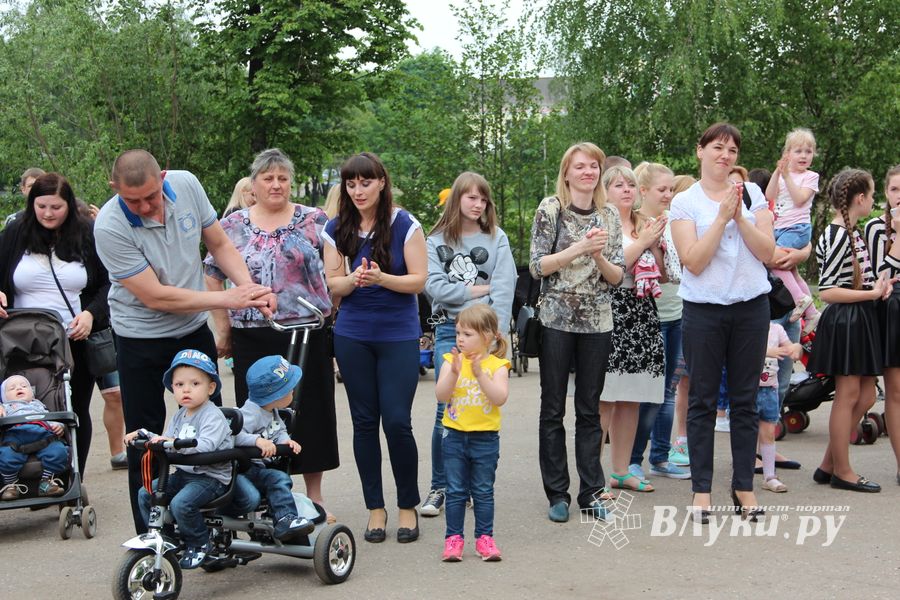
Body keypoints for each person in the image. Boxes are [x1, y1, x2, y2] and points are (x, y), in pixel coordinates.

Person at [93, 149, 275, 533]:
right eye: (132, 200)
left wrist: (250, 288)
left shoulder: (187, 184)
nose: (143, 206)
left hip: (191, 331)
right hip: (139, 336)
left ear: (163, 176)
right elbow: (156, 296)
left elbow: (220, 245)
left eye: (150, 196)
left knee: (213, 427)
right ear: (114, 189)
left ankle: (214, 526)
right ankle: (151, 534)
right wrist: (227, 298)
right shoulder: (109, 226)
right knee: (145, 439)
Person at [204, 148, 339, 520]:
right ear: (255, 183)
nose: (276, 184)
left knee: (310, 412)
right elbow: (212, 276)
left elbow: (334, 272)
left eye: (282, 178)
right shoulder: (232, 225)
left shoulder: (315, 220)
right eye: (268, 178)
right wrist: (223, 326)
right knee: (256, 418)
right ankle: (270, 494)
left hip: (307, 331)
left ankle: (314, 497)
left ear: (290, 181)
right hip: (252, 333)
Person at [670, 122, 775, 523]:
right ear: (700, 151)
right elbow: (693, 261)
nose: (725, 156)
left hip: (751, 307)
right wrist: (719, 219)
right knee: (702, 401)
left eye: (732, 150)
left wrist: (741, 216)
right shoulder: (685, 202)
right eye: (717, 147)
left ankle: (744, 487)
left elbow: (767, 252)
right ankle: (701, 490)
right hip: (704, 310)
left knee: (746, 400)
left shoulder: (753, 194)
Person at [323, 152, 427, 543]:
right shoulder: (335, 228)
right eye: (351, 184)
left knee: (397, 421)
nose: (358, 191)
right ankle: (375, 508)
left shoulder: (405, 224)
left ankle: (406, 505)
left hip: (398, 333)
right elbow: (333, 285)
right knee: (365, 422)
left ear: (381, 182)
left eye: (365, 183)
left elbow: (418, 281)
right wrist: (353, 279)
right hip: (353, 334)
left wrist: (383, 278)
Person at [530, 142, 624, 523]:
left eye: (593, 167)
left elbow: (617, 277)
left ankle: (591, 491)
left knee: (590, 409)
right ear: (566, 173)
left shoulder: (611, 214)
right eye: (580, 166)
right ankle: (557, 493)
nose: (587, 172)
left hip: (597, 320)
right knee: (553, 409)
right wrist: (579, 248)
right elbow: (538, 266)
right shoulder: (550, 208)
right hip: (556, 318)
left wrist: (598, 254)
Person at [0, 173, 110, 476]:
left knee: (72, 411)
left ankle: (71, 478)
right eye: (42, 206)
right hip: (23, 341)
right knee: (19, 409)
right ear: (31, 203)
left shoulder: (87, 233)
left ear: (69, 206)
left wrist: (91, 314)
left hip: (74, 340)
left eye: (56, 207)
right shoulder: (14, 233)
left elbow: (108, 283)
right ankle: (23, 474)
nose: (48, 214)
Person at [421, 171, 516, 517]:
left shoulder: (497, 238)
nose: (478, 204)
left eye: (483, 198)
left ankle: (473, 487)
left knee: (482, 407)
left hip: (488, 333)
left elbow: (505, 286)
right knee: (446, 412)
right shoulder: (434, 242)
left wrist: (495, 333)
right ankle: (440, 487)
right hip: (450, 331)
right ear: (456, 199)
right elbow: (434, 287)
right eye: (471, 197)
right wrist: (477, 290)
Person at [808, 168, 888, 493]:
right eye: (871, 194)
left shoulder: (852, 232)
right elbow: (827, 290)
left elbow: (852, 278)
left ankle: (829, 464)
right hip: (847, 319)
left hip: (858, 317)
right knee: (848, 396)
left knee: (866, 395)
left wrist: (876, 286)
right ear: (859, 198)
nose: (873, 200)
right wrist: (870, 293)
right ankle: (842, 470)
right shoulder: (840, 234)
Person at [130, 350, 233, 569]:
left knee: (181, 504)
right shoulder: (180, 415)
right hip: (185, 474)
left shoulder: (212, 415)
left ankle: (199, 543)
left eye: (195, 384)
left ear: (211, 388)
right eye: (179, 385)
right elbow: (165, 440)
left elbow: (206, 446)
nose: (186, 390)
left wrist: (176, 442)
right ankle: (167, 540)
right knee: (146, 493)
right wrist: (143, 435)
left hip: (210, 478)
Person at [599, 165, 667, 493]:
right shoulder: (599, 223)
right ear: (605, 191)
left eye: (630, 184)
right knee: (605, 397)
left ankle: (622, 470)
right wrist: (644, 244)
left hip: (642, 311)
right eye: (617, 185)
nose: (626, 190)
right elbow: (611, 268)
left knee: (632, 398)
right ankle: (592, 475)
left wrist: (654, 245)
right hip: (610, 310)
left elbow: (667, 274)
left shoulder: (646, 224)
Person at [629, 162, 690, 480]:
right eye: (662, 190)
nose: (668, 194)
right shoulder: (635, 223)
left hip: (677, 314)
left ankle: (661, 457)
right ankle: (633, 459)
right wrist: (650, 244)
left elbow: (678, 270)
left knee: (668, 390)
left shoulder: (673, 222)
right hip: (648, 318)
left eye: (670, 189)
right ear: (644, 191)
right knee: (648, 394)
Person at [435, 304, 509, 562]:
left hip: (485, 438)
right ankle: (453, 539)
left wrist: (480, 374)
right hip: (454, 436)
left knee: (483, 491)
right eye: (458, 333)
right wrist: (454, 373)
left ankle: (484, 539)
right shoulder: (450, 361)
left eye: (467, 334)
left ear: (487, 336)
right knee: (454, 490)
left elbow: (500, 398)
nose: (460, 339)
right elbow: (441, 396)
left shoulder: (497, 365)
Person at [235, 355, 315, 540]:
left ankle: (278, 517)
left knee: (277, 478)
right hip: (244, 470)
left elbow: (279, 431)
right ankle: (284, 518)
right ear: (276, 395)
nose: (293, 391)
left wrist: (286, 441)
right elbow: (233, 435)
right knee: (278, 479)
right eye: (289, 389)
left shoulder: (272, 412)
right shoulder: (250, 413)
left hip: (257, 468)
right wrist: (256, 441)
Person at [765, 128, 821, 334]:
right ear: (787, 154)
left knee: (776, 264)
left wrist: (787, 175)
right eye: (798, 151)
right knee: (792, 272)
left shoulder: (810, 176)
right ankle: (813, 313)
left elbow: (799, 199)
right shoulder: (782, 175)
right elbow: (770, 195)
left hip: (797, 229)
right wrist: (778, 172)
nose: (804, 155)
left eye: (808, 151)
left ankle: (801, 299)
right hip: (779, 229)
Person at [865, 165, 900, 485]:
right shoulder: (877, 228)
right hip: (892, 309)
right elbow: (881, 277)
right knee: (896, 390)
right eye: (895, 191)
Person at [0, 375, 67, 500]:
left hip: (42, 435)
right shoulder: (5, 407)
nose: (19, 388)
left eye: (24, 386)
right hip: (15, 438)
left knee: (59, 451)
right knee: (5, 456)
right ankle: (11, 485)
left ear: (32, 393)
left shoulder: (38, 405)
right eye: (12, 388)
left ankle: (46, 482)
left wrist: (59, 426)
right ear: (4, 397)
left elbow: (51, 419)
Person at [757, 323, 802, 492]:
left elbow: (792, 346)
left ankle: (769, 476)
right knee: (745, 433)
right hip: (747, 390)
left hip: (770, 390)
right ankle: (743, 475)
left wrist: (795, 349)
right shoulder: (746, 326)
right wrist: (767, 351)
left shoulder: (776, 329)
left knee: (769, 433)